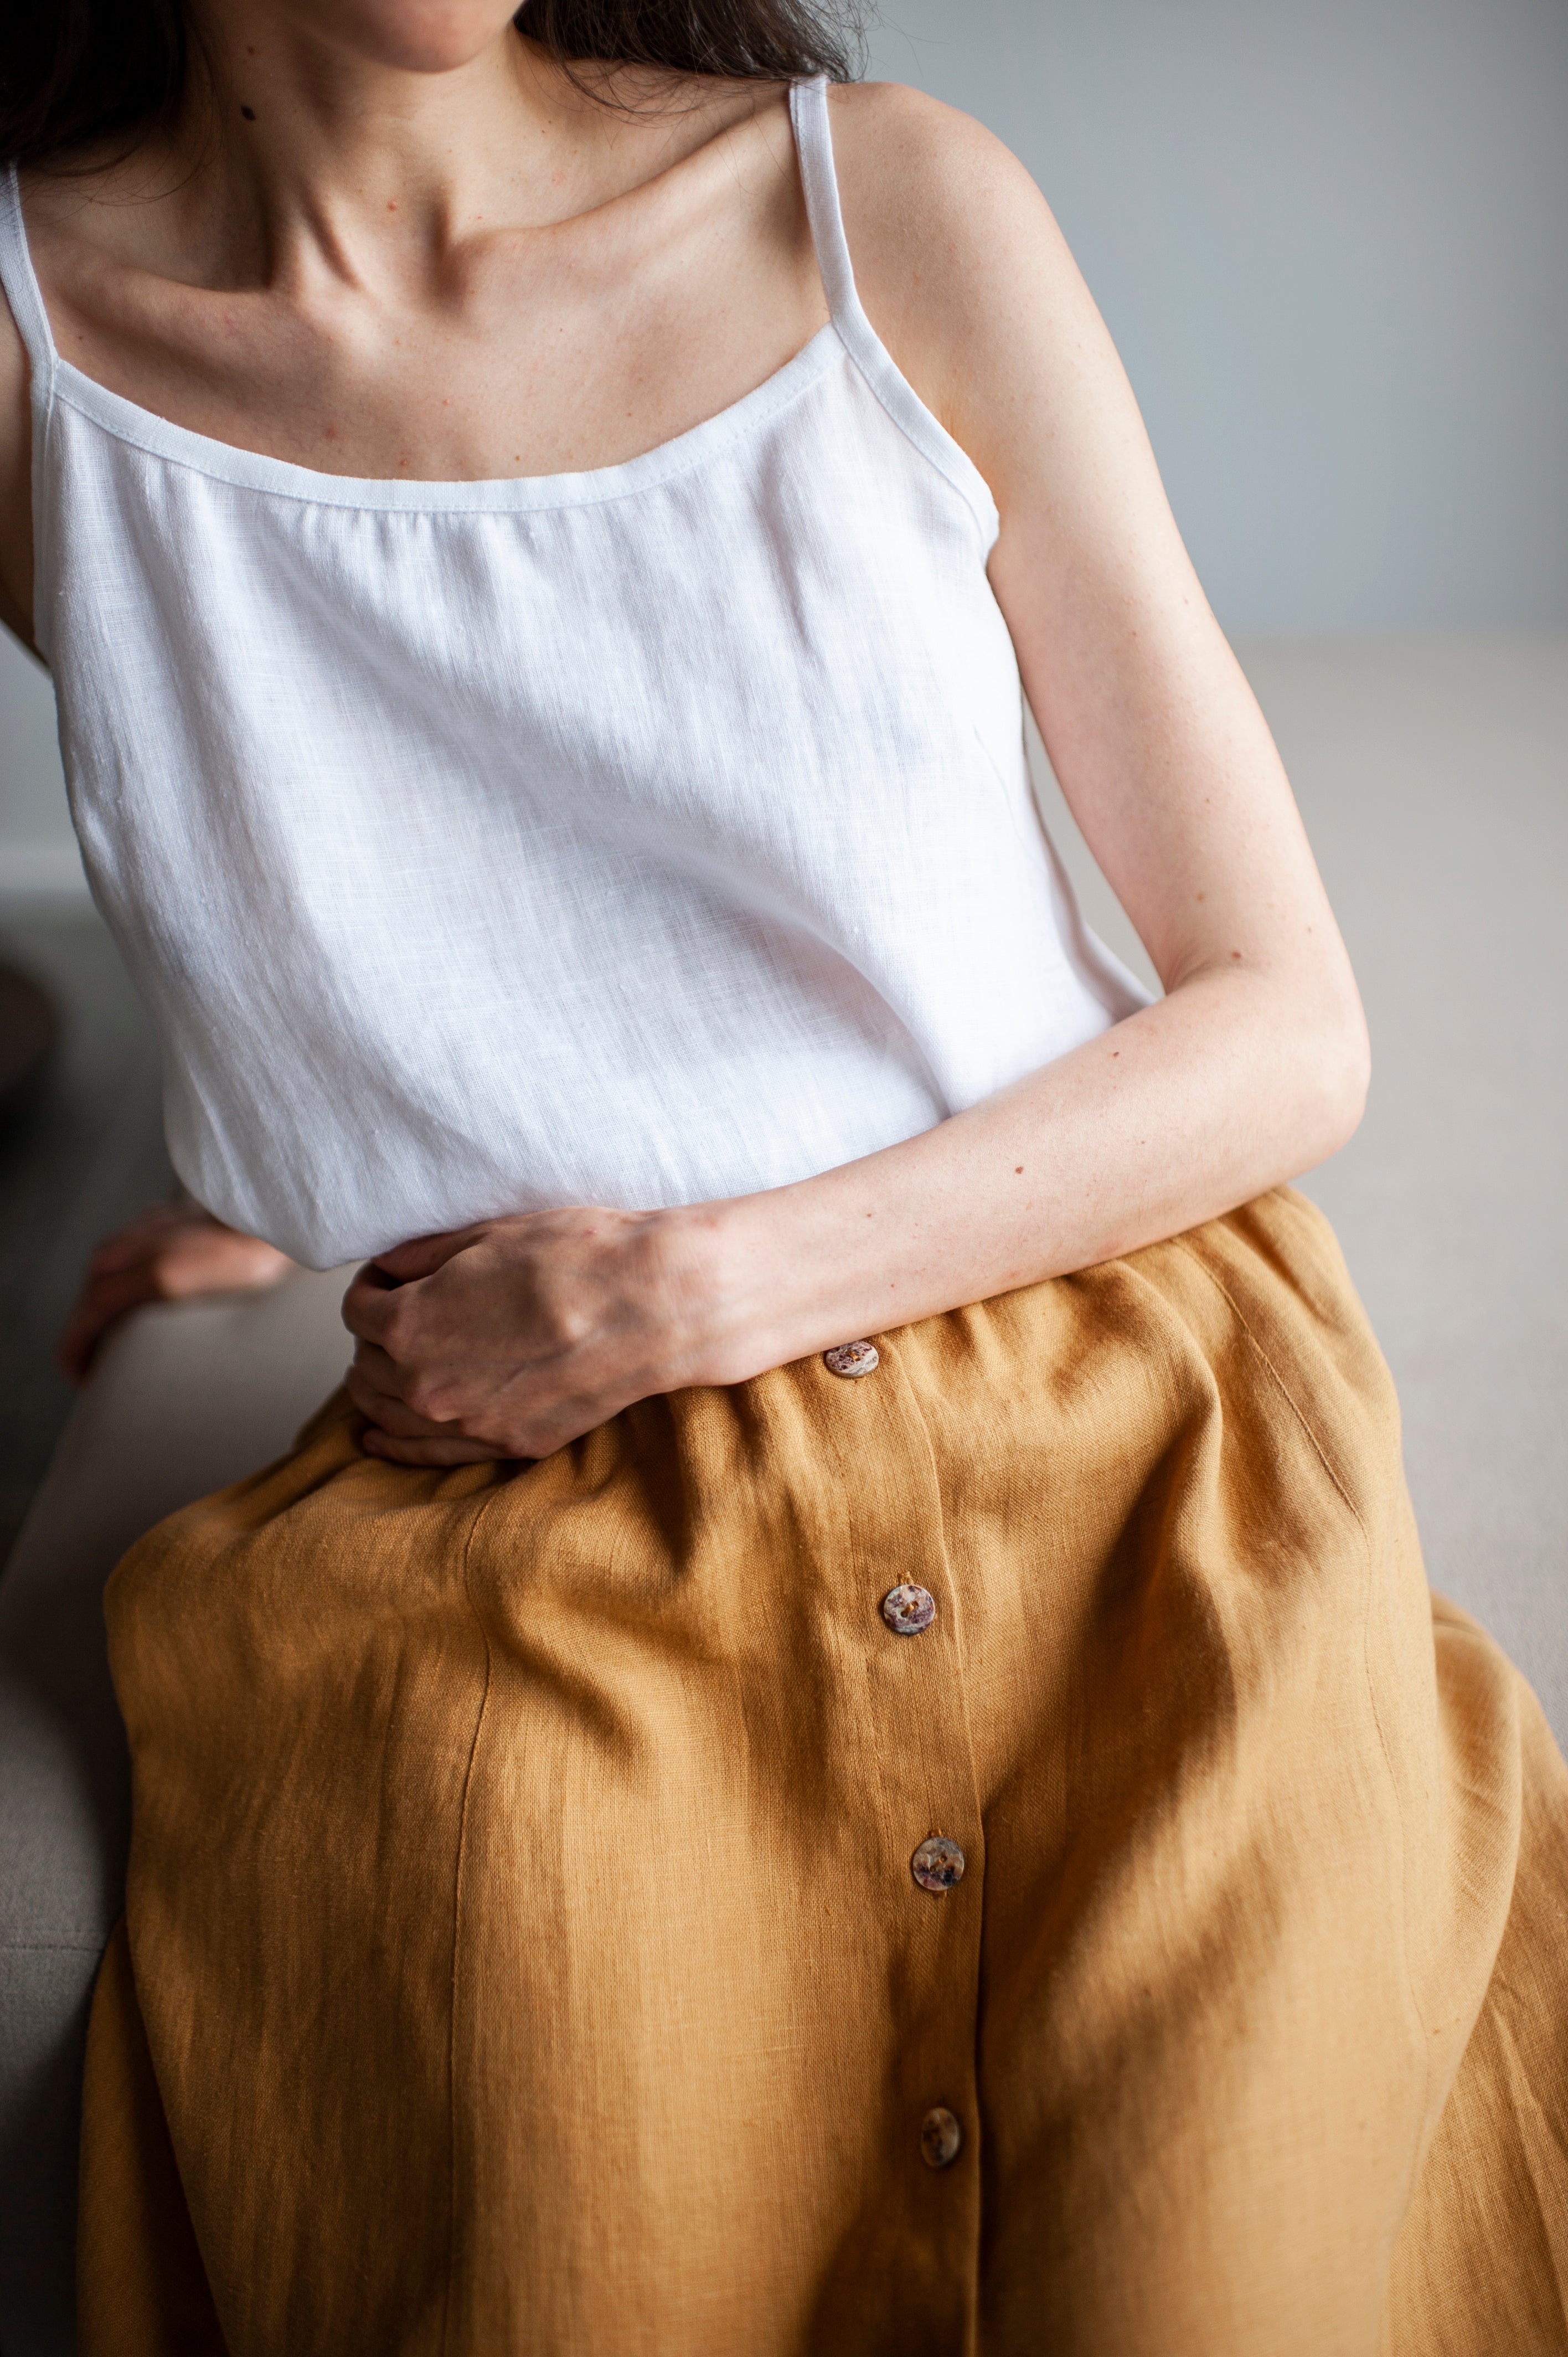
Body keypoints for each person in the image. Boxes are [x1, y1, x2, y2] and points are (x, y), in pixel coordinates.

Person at [2, 3, 1564, 2350]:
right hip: (499, 1549)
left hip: (1124, 1432)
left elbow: (1284, 1017)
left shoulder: (885, 210)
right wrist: (310, 1120)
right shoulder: (39, 355)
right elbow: (336, 821)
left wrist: (681, 1285)